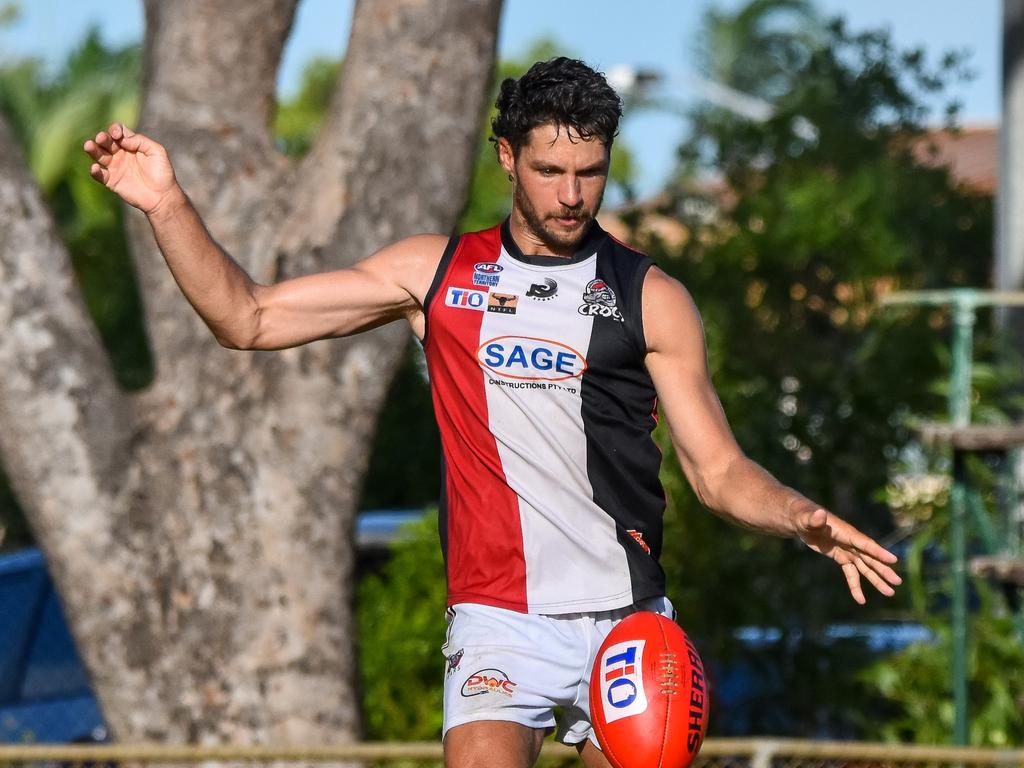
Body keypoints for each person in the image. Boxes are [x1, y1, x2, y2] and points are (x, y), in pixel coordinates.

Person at [85, 57, 900, 768]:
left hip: (628, 623)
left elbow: (718, 472)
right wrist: (166, 204)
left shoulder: (650, 299)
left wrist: (799, 516)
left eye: (590, 172)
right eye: (550, 171)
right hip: (500, 620)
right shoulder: (433, 274)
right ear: (508, 157)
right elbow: (247, 319)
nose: (572, 195)